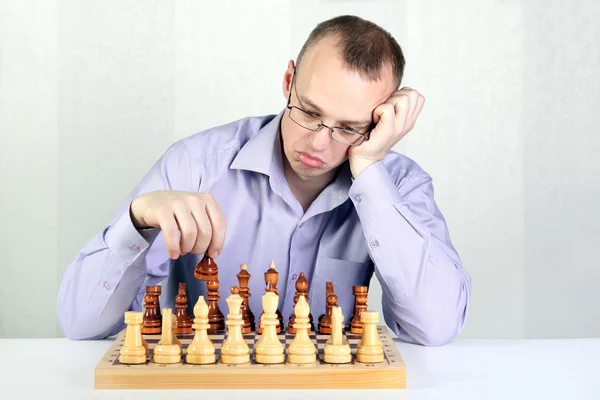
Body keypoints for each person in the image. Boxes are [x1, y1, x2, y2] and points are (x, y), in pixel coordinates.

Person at [57, 15, 471, 346]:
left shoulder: (400, 187)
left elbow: (434, 327)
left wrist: (368, 166)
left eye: (348, 127)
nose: (318, 142)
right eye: (308, 111)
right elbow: (81, 323)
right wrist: (138, 218)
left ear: (380, 122)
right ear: (288, 81)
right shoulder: (196, 165)